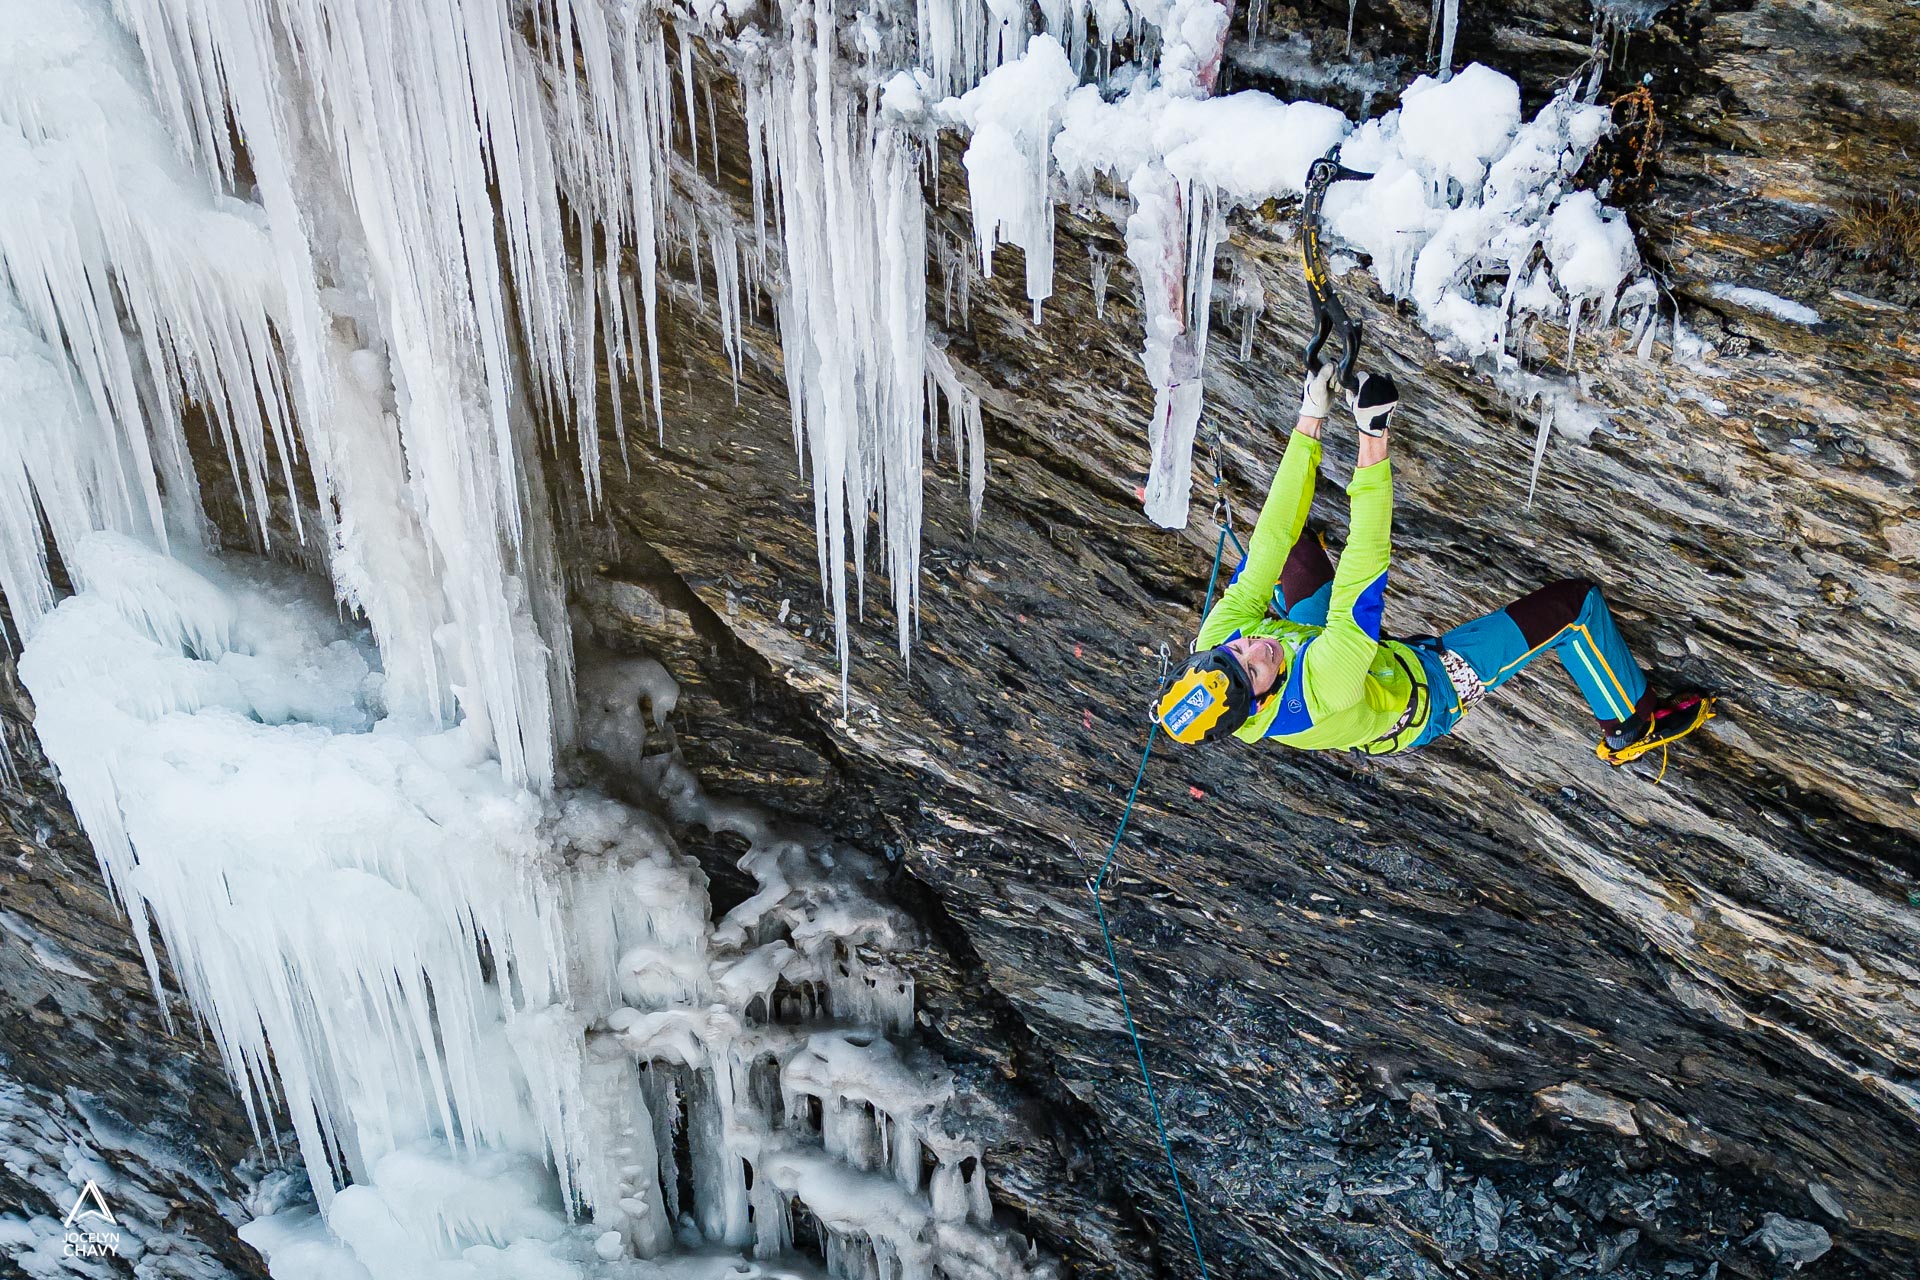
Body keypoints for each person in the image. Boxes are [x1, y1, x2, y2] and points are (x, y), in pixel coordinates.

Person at [1152, 362, 1713, 765]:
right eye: (1253, 669)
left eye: (1238, 650)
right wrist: (1373, 440)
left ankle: (1297, 589)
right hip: (1427, 690)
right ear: (1260, 701)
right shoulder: (1318, 694)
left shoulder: (1220, 641)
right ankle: (1632, 725)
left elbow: (1269, 538)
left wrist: (1310, 421)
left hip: (1324, 638)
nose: (1255, 648)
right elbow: (1363, 579)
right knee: (1575, 605)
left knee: (1282, 549)